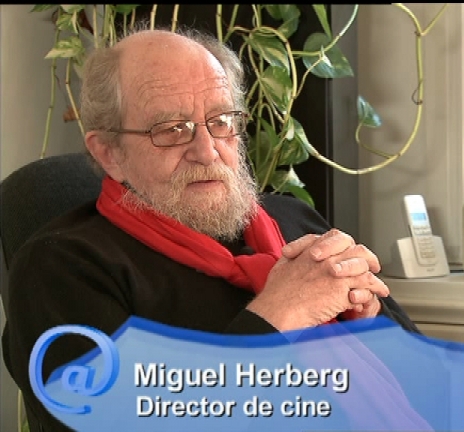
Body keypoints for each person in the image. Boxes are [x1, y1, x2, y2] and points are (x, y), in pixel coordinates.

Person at [2, 27, 420, 431]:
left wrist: (365, 317)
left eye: (221, 121)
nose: (207, 151)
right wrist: (282, 314)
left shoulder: (293, 221)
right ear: (110, 153)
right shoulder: (61, 269)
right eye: (172, 130)